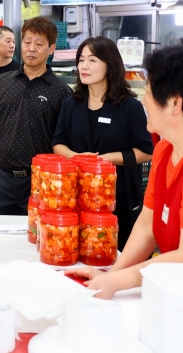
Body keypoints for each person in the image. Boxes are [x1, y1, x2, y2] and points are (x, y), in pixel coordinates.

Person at [67, 44, 183, 299]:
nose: (144, 99)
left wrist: (120, 281)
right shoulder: (166, 148)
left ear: (175, 103)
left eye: (148, 92)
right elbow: (147, 225)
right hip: (176, 290)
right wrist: (111, 275)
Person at [52, 36, 153, 250]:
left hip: (117, 199)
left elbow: (146, 151)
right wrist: (76, 157)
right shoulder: (71, 104)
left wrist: (106, 160)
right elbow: (58, 143)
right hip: (76, 197)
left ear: (110, 64)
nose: (84, 66)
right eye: (81, 60)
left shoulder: (130, 107)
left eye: (92, 60)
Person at [0, 17, 72, 215]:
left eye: (39, 44)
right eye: (27, 42)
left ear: (51, 48)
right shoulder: (2, 81)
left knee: (36, 237)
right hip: (1, 177)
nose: (31, 48)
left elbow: (64, 139)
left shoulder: (62, 91)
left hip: (41, 180)